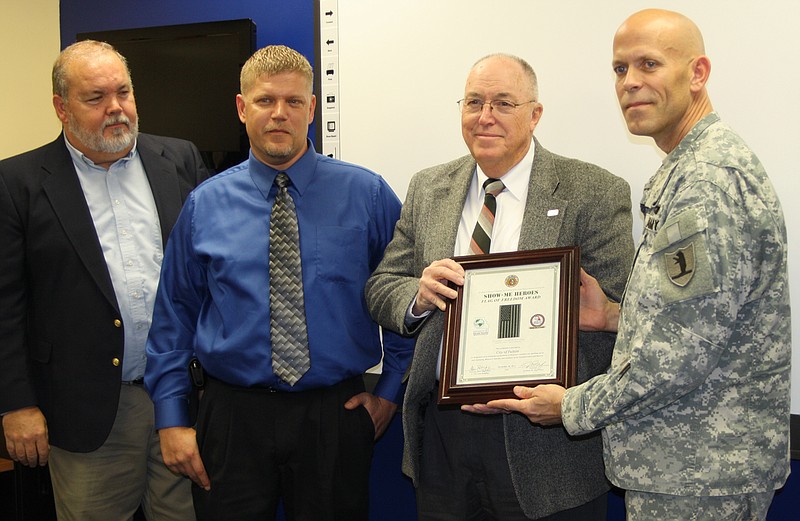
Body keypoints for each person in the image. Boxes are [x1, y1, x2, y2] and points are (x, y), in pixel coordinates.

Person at [470, 9, 792, 520]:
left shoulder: (705, 183)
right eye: (620, 69)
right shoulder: (688, 168)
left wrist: (570, 407)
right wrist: (615, 316)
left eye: (649, 64)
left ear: (697, 73)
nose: (631, 83)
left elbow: (677, 357)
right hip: (689, 467)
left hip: (697, 476)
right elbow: (704, 319)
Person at [144, 44, 414, 521]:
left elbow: (402, 293)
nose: (279, 114)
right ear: (242, 107)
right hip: (231, 417)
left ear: (311, 109)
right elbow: (173, 316)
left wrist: (391, 391)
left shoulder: (367, 194)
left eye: (293, 102)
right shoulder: (204, 205)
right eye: (266, 101)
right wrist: (171, 419)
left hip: (335, 414)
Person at [365, 53, 634, 520]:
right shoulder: (429, 187)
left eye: (503, 103)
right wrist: (417, 296)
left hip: (548, 446)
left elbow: (625, 311)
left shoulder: (592, 190)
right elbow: (382, 286)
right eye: (474, 102)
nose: (485, 116)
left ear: (535, 115)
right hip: (444, 439)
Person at [0, 40, 209, 520]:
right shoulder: (19, 183)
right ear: (61, 107)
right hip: (88, 410)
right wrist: (16, 404)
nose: (116, 108)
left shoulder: (179, 161)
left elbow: (210, 274)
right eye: (96, 98)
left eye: (124, 92)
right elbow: (6, 305)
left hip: (181, 399)